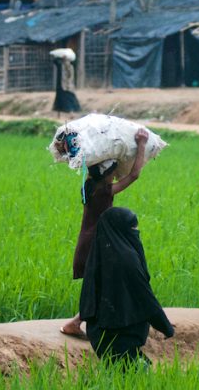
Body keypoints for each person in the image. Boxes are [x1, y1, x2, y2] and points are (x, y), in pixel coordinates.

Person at [60, 129, 149, 338]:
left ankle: (81, 321)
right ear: (107, 176)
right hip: (97, 243)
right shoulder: (104, 191)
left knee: (99, 284)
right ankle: (76, 322)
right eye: (113, 172)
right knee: (102, 284)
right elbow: (134, 175)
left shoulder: (88, 187)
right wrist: (142, 144)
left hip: (87, 240)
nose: (115, 175)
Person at [78, 207, 174, 365]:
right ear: (122, 230)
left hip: (100, 333)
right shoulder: (127, 260)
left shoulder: (100, 253)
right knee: (137, 377)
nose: (136, 231)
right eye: (133, 227)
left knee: (123, 376)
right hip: (120, 336)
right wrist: (166, 327)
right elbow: (145, 298)